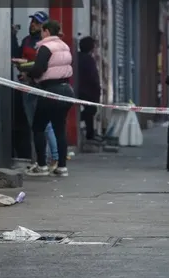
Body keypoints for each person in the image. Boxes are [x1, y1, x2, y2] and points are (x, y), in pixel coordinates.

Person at [12, 19, 74, 177]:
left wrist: (27, 73)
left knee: (38, 127)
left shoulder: (46, 47)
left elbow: (40, 68)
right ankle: (62, 167)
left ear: (46, 31)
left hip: (49, 91)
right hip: (66, 90)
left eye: (42, 31)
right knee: (60, 129)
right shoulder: (64, 46)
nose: (41, 34)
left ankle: (42, 166)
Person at [11, 10, 59, 170]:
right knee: (35, 125)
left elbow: (42, 65)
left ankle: (54, 158)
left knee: (46, 125)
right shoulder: (27, 40)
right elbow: (18, 55)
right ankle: (40, 160)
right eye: (32, 22)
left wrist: (28, 69)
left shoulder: (46, 45)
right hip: (27, 86)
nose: (33, 25)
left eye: (37, 23)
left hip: (40, 85)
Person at [77, 36, 102, 141]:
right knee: (91, 110)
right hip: (87, 91)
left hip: (78, 88)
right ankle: (89, 134)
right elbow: (93, 77)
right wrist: (98, 89)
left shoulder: (77, 57)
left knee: (89, 111)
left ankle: (90, 133)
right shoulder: (89, 60)